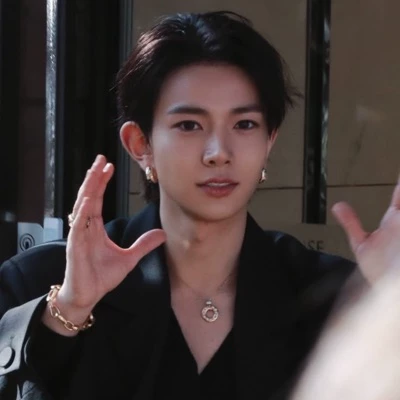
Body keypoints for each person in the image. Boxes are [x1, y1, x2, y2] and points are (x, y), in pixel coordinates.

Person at [0, 10, 398, 400]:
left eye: (244, 125)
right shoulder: (42, 282)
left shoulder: (325, 295)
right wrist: (69, 311)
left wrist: (390, 304)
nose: (218, 152)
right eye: (189, 125)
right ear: (141, 144)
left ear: (269, 141)